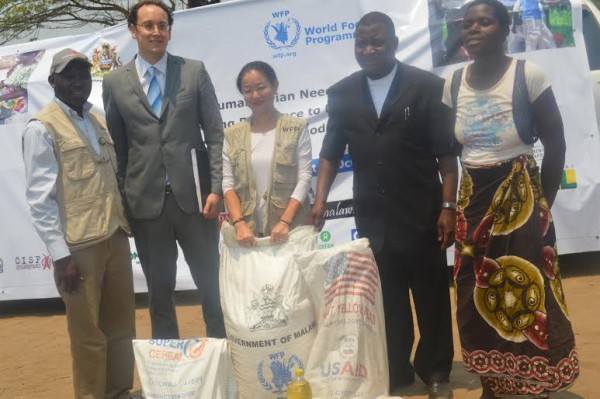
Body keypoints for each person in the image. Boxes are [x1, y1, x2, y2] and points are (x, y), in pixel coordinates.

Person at [311, 11, 458, 399]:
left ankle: (437, 370)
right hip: (374, 219)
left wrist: (448, 206)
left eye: (377, 42)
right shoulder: (342, 93)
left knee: (431, 298)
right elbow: (329, 153)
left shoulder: (427, 86)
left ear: (393, 44)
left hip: (423, 213)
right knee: (388, 301)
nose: (369, 49)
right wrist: (320, 199)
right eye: (362, 43)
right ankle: (397, 370)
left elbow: (446, 155)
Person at [443, 1, 579, 398]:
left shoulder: (528, 75)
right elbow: (449, 153)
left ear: (504, 29)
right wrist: (449, 205)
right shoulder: (452, 84)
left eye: (484, 22)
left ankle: (537, 382)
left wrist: (541, 207)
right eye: (468, 24)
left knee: (531, 291)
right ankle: (492, 383)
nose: (473, 30)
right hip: (473, 202)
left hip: (520, 199)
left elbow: (556, 146)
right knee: (474, 297)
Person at [102, 0, 226, 339]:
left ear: (170, 30)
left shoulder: (193, 71)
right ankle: (169, 371)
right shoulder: (114, 82)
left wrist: (216, 188)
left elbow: (214, 135)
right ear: (133, 30)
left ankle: (222, 360)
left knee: (211, 286)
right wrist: (124, 202)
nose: (156, 32)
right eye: (148, 25)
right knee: (159, 292)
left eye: (162, 26)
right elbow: (119, 148)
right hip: (146, 206)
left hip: (197, 202)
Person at [22, 48, 135, 399]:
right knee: (88, 334)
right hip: (78, 248)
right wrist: (60, 256)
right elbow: (40, 200)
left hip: (115, 236)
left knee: (121, 328)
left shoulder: (95, 118)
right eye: (69, 76)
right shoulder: (41, 128)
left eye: (83, 75)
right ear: (53, 81)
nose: (78, 82)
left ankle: (118, 391)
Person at [223, 61, 312, 246]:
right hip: (248, 235)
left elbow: (304, 178)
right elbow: (228, 184)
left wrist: (284, 222)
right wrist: (239, 225)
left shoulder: (297, 128)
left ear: (275, 86)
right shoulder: (231, 135)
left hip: (291, 232)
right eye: (248, 90)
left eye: (261, 87)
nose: (255, 95)